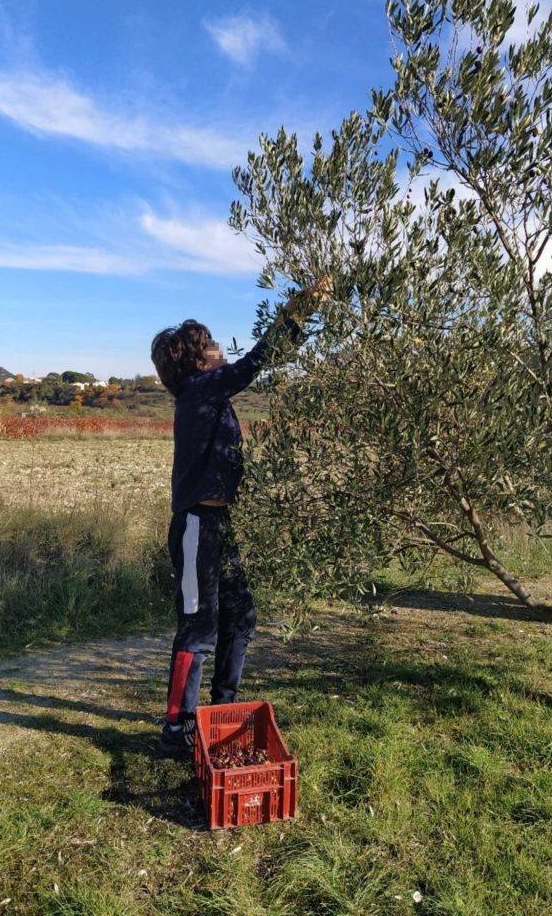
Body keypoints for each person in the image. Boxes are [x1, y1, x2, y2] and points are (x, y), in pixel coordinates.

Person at [150, 281, 327, 757]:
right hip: (195, 530)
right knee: (198, 629)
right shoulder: (197, 392)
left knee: (241, 618)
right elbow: (257, 362)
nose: (217, 347)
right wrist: (297, 311)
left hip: (220, 528)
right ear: (195, 360)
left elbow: (257, 366)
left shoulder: (209, 396)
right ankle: (176, 728)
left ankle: (221, 709)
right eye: (209, 344)